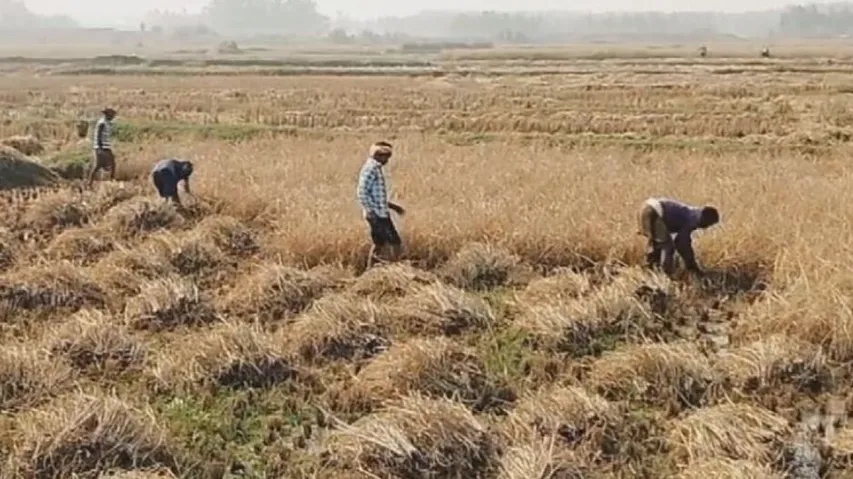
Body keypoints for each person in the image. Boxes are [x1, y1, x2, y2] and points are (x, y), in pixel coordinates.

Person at [637, 197, 719, 277]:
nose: (707, 227)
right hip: (653, 211)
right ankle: (668, 274)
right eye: (709, 224)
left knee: (659, 243)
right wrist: (692, 267)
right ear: (705, 220)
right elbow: (682, 244)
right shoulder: (692, 219)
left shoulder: (690, 212)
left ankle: (649, 269)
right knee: (668, 246)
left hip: (645, 207)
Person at [357, 141, 405, 268]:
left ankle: (371, 270)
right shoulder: (371, 169)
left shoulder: (374, 167)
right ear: (379, 155)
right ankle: (394, 269)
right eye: (386, 157)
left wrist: (393, 207)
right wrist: (370, 210)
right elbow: (361, 192)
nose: (387, 160)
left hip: (380, 212)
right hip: (378, 215)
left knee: (379, 244)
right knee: (395, 243)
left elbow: (376, 195)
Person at [88, 107, 117, 189]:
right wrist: (99, 148)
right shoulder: (102, 123)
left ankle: (111, 181)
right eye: (112, 115)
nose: (113, 117)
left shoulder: (107, 123)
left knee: (112, 163)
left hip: (106, 146)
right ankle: (89, 183)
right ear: (108, 114)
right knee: (98, 165)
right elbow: (98, 136)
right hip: (101, 147)